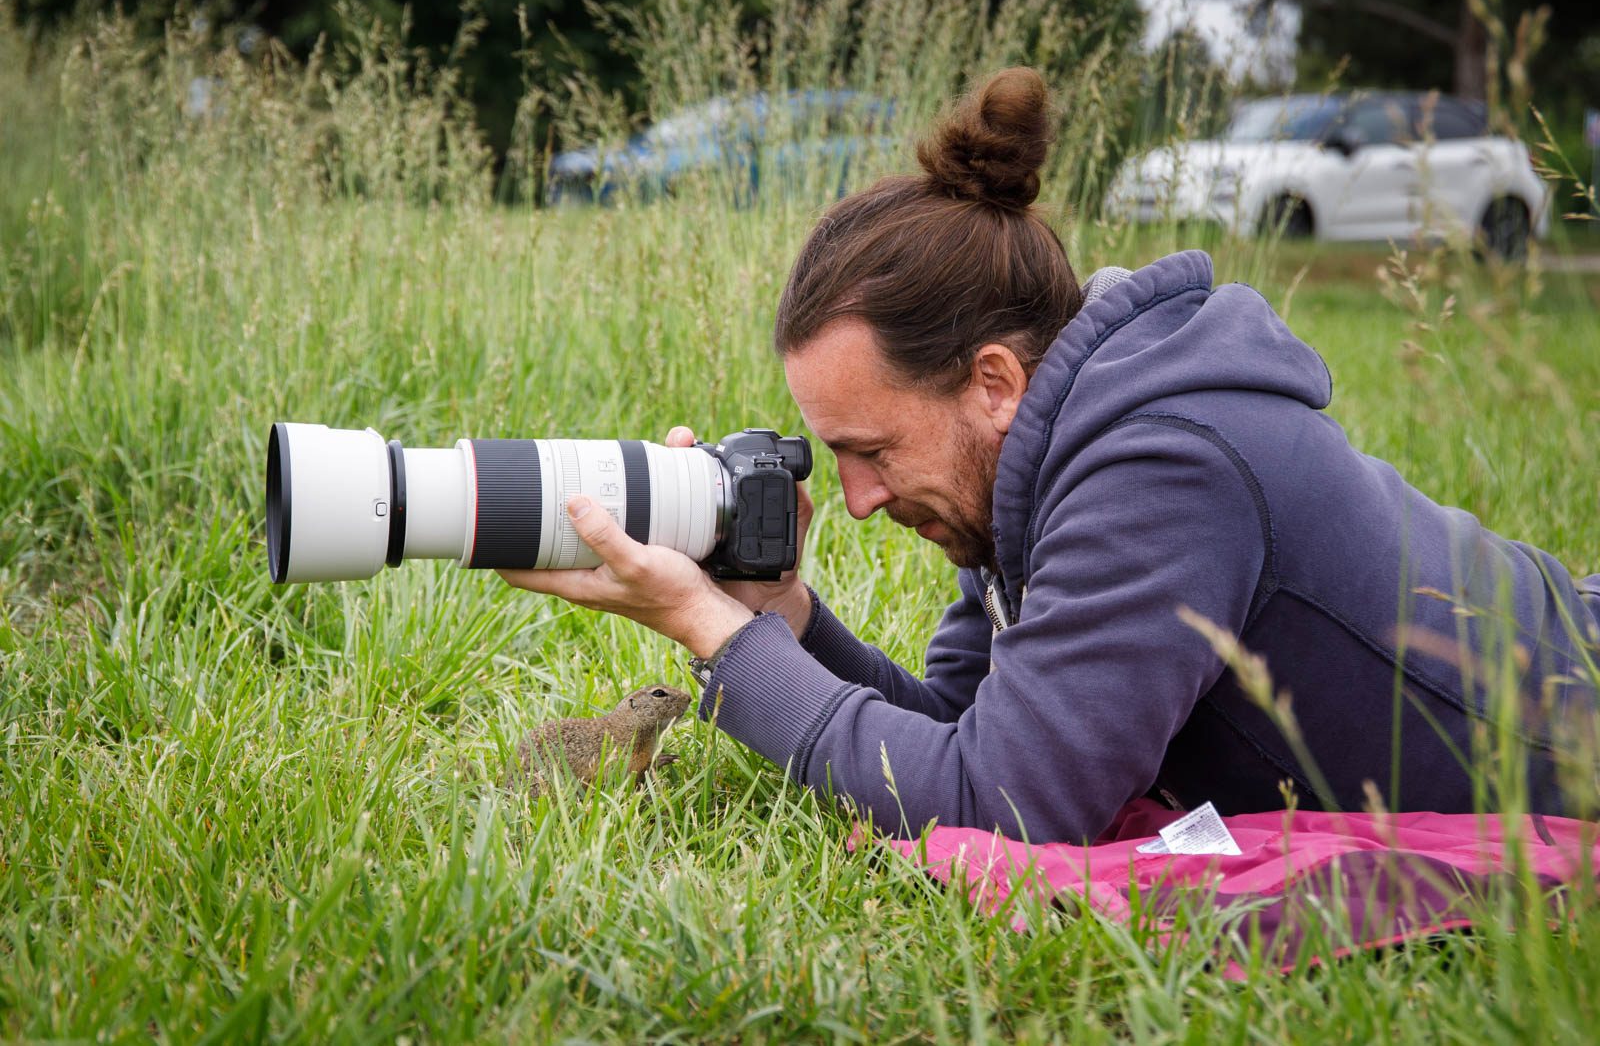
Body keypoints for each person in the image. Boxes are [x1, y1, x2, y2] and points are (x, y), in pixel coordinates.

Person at [501, 67, 1600, 843]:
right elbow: (961, 738)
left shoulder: (1162, 467)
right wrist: (778, 617)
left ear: (991, 381)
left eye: (872, 449)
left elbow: (1003, 801)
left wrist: (710, 634)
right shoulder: (1035, 463)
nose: (858, 498)